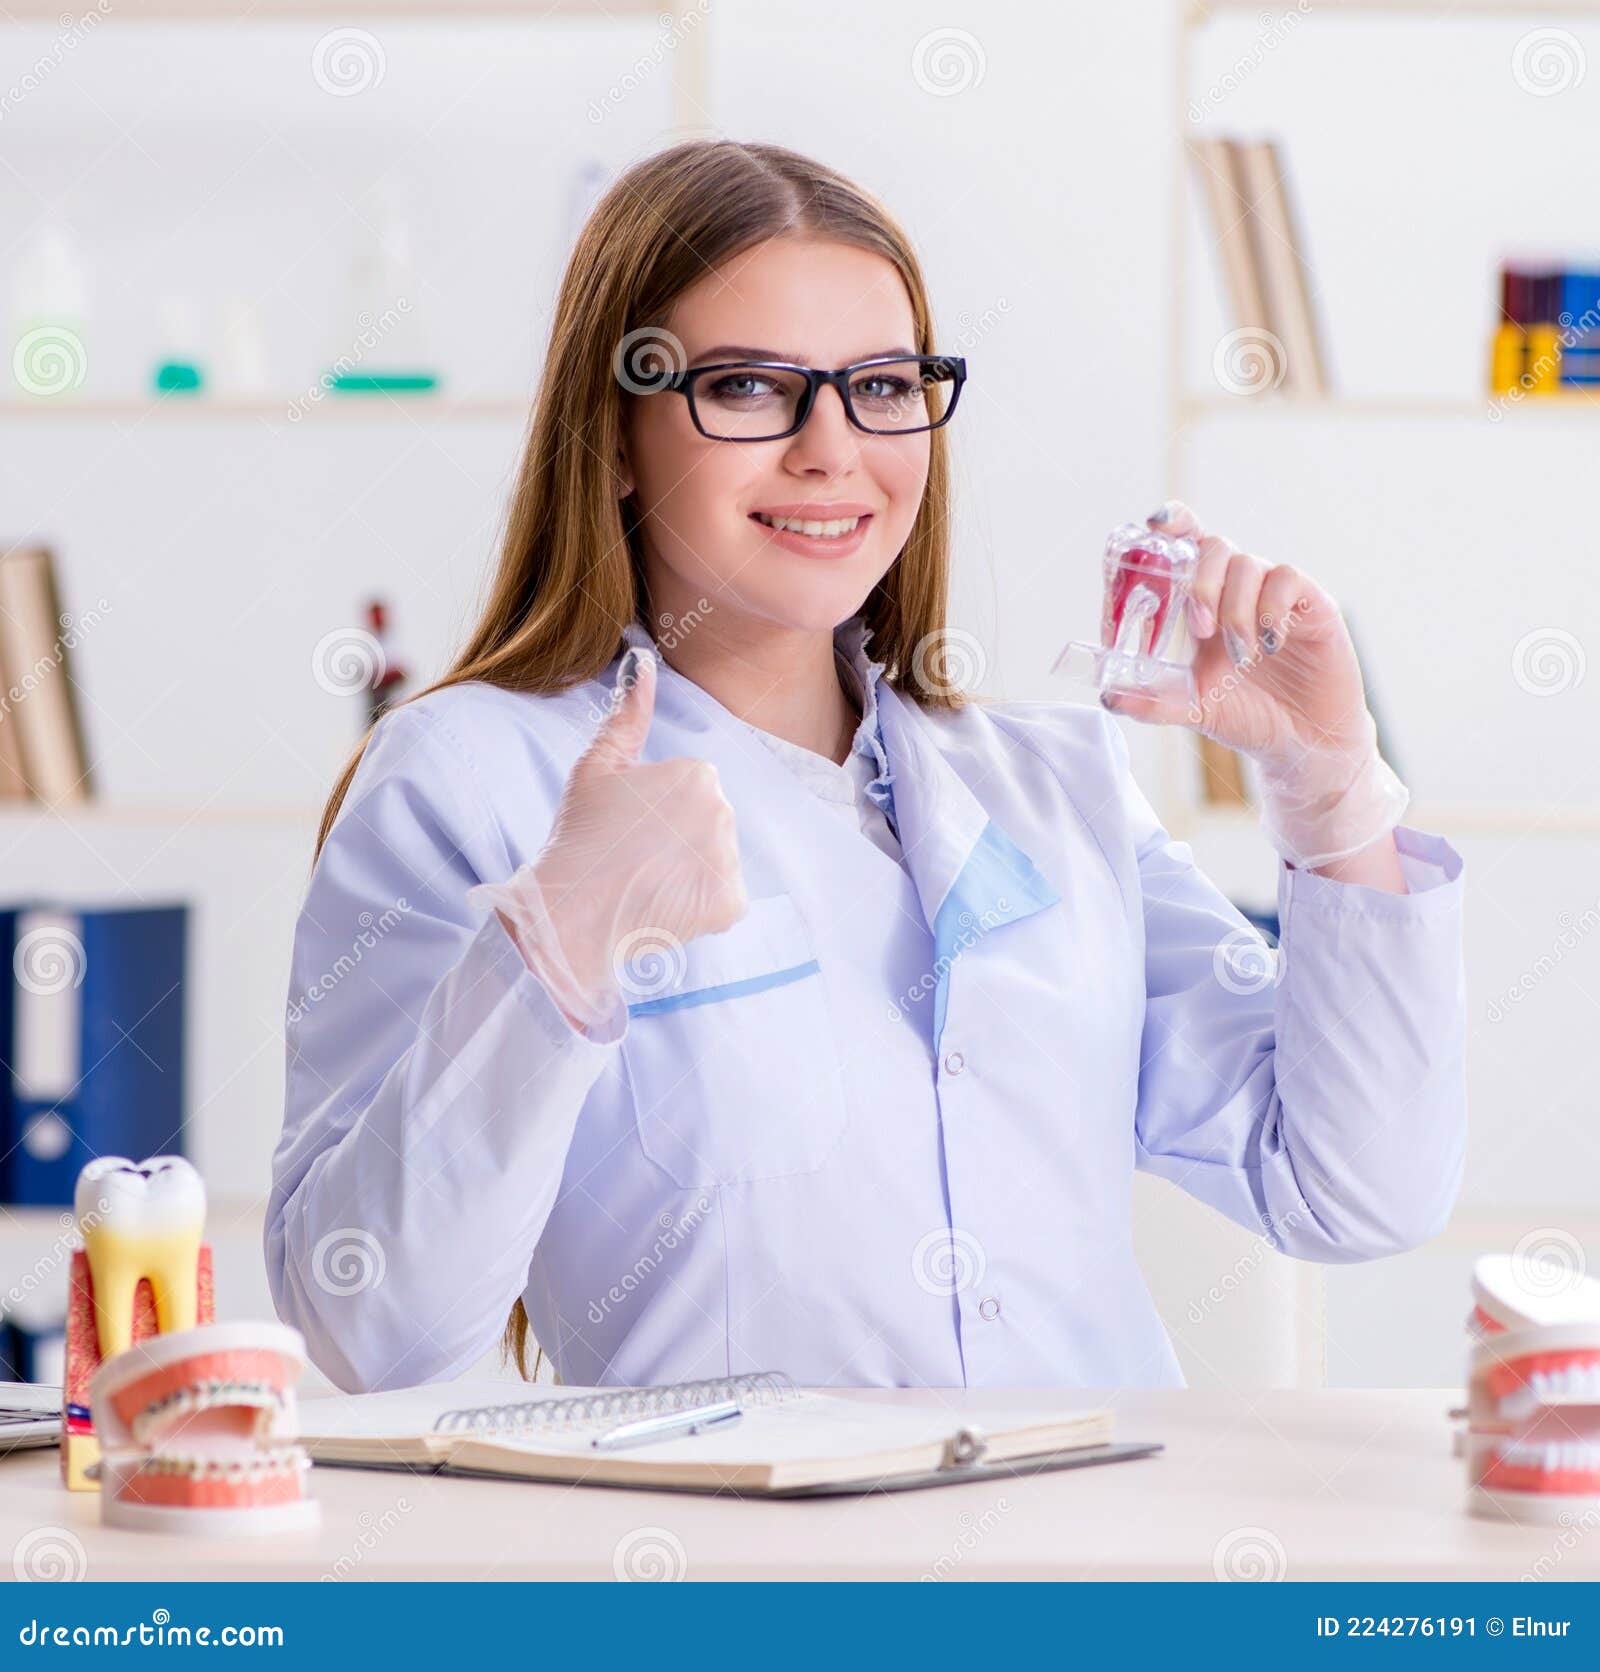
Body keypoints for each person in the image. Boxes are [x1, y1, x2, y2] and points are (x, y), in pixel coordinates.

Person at [265, 139, 1466, 1395]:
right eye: (746, 387)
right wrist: (551, 951)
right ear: (613, 435)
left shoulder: (1054, 783)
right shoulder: (472, 776)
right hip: (732, 1522)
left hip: (1104, 1514)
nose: (831, 449)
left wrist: (1333, 792)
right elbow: (366, 1327)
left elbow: (1351, 1191)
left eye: (883, 386)